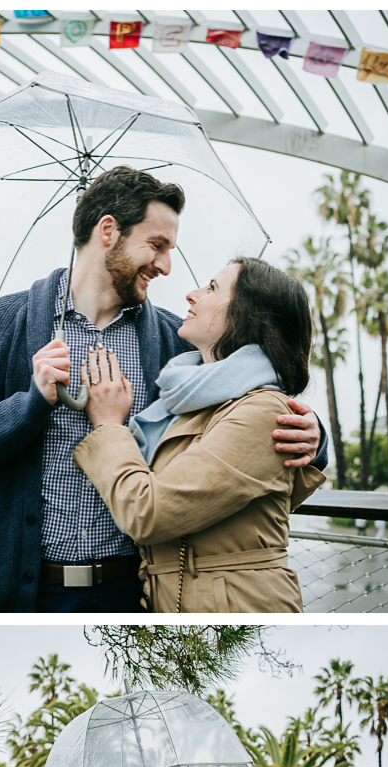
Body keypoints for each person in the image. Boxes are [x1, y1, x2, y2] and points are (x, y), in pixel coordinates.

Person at [0, 166, 327, 613]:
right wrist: (30, 404)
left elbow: (250, 411)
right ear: (108, 231)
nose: (166, 266)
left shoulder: (179, 341)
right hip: (23, 597)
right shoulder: (2, 322)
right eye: (156, 245)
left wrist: (314, 435)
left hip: (137, 597)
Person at [72, 258, 326, 613]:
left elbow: (149, 513)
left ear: (248, 313)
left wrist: (109, 425)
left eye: (211, 287)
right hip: (173, 603)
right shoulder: (192, 397)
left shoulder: (264, 412)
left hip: (234, 608)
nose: (192, 295)